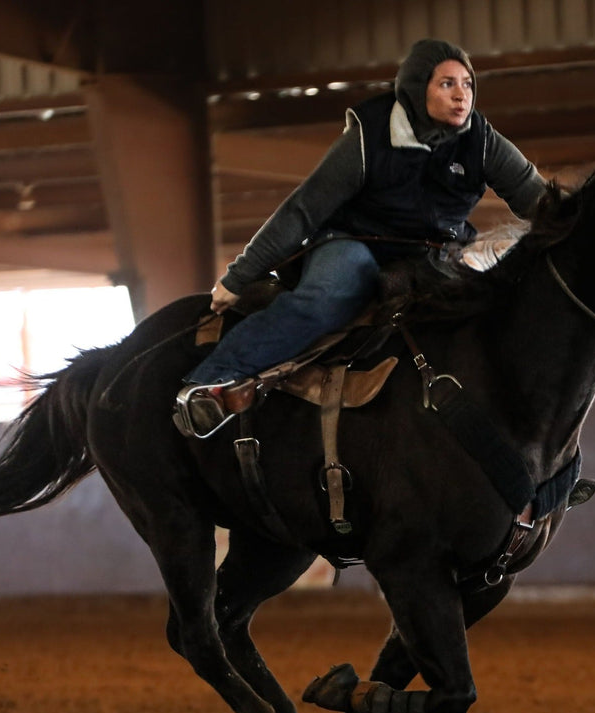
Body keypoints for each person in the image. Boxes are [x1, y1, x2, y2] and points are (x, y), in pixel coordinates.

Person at [175, 38, 548, 437]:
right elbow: (302, 211)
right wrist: (238, 278)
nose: (462, 95)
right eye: (446, 84)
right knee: (327, 297)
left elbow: (542, 201)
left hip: (433, 256)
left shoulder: (484, 141)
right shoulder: (367, 138)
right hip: (355, 243)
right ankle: (211, 384)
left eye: (468, 84)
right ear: (417, 87)